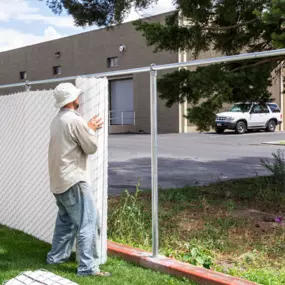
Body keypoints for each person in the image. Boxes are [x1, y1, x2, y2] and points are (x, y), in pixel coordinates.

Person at [46, 82, 110, 277]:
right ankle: (88, 268)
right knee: (87, 222)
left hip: (58, 180)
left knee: (66, 222)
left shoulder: (57, 120)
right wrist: (90, 128)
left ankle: (56, 258)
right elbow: (90, 147)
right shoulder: (74, 120)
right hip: (73, 180)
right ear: (73, 100)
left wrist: (86, 127)